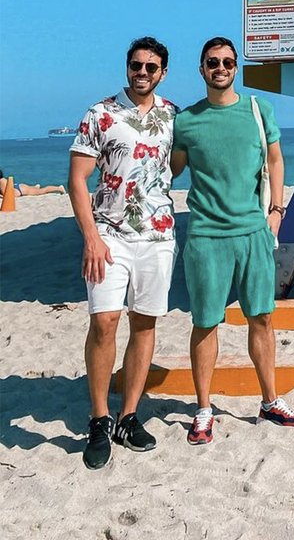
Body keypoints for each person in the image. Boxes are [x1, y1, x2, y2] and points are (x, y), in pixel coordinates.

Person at [171, 36, 294, 444]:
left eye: (228, 62)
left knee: (262, 318)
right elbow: (169, 172)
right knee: (205, 322)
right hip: (207, 235)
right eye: (213, 62)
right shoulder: (186, 121)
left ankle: (269, 401)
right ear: (201, 68)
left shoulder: (258, 110)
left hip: (253, 232)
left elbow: (276, 159)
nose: (221, 68)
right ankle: (204, 408)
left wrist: (277, 213)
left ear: (236, 68)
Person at [67, 37, 178, 470]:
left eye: (151, 67)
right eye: (137, 66)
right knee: (104, 322)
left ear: (163, 72)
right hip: (109, 235)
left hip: (158, 235)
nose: (143, 73)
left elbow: (179, 164)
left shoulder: (172, 115)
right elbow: (78, 180)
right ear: (127, 67)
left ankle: (129, 415)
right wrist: (91, 238)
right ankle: (99, 418)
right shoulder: (100, 114)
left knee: (145, 324)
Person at [0, 170, 65, 196]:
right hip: (18, 187)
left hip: (20, 190)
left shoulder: (1, 181)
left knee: (42, 191)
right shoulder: (2, 180)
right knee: (33, 189)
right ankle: (35, 187)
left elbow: (7, 193)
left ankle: (59, 188)